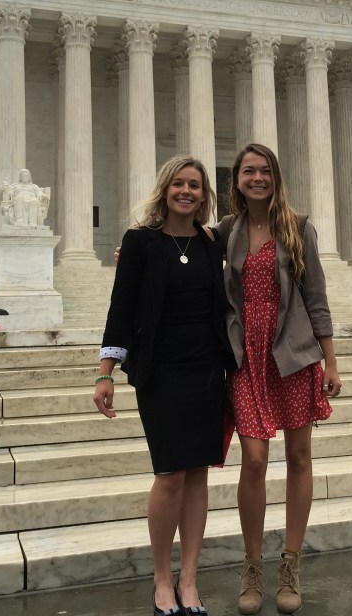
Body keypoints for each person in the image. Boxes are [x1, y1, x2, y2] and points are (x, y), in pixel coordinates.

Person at [94, 155, 230, 616]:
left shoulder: (212, 243)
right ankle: (160, 579)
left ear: (204, 194)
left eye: (194, 185)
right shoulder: (140, 243)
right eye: (178, 184)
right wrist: (105, 371)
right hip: (162, 373)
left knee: (197, 476)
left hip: (208, 369)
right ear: (164, 190)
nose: (186, 191)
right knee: (169, 474)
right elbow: (121, 308)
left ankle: (189, 580)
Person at [216, 143, 342, 614]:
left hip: (293, 353)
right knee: (253, 459)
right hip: (246, 356)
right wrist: (138, 250)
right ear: (237, 179)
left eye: (265, 170)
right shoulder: (226, 231)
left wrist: (330, 360)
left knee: (299, 457)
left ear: (276, 176)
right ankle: (252, 565)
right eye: (249, 171)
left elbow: (317, 296)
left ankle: (290, 563)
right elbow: (178, 243)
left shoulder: (298, 227)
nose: (257, 178)